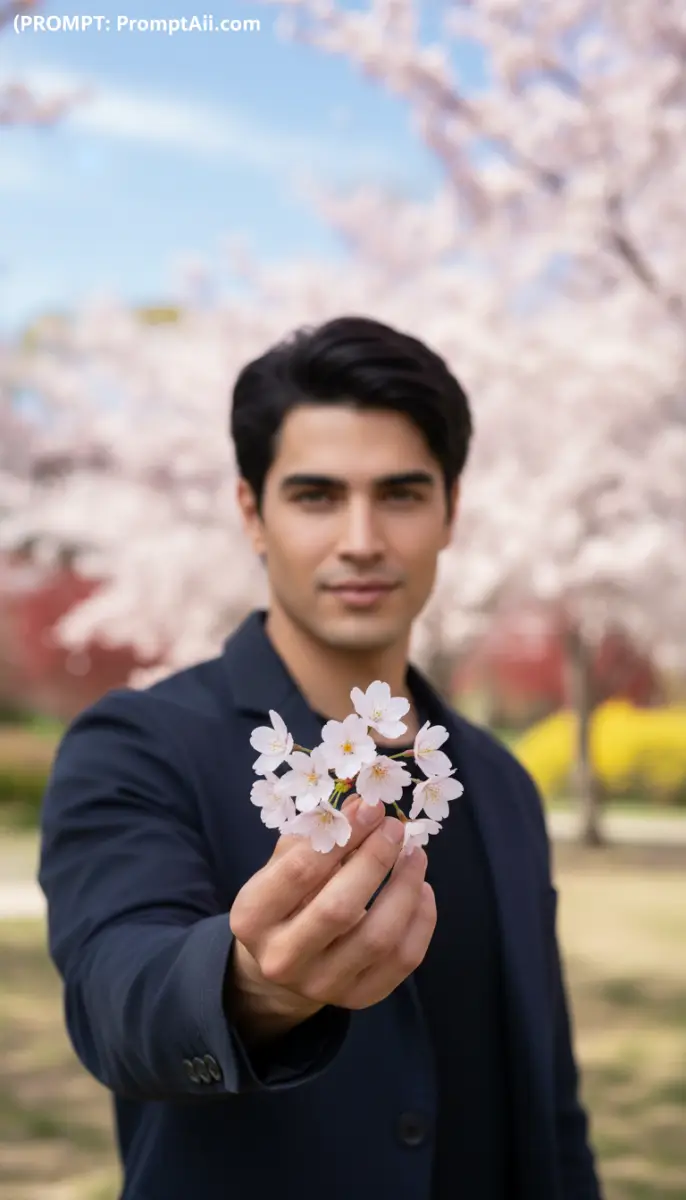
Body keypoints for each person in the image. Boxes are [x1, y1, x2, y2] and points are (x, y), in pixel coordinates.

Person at [38, 315, 603, 1200]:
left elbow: (551, 1103)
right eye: (315, 496)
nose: (362, 539)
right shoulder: (136, 745)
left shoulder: (496, 781)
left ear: (452, 510)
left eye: (402, 494)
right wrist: (253, 985)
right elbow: (118, 1000)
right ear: (250, 512)